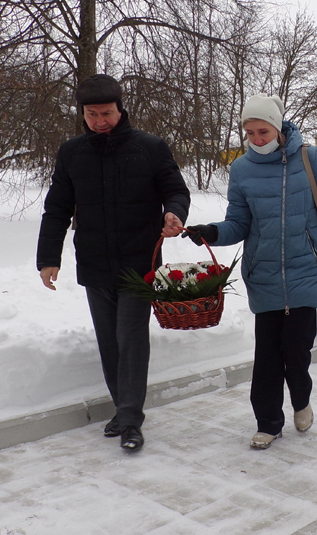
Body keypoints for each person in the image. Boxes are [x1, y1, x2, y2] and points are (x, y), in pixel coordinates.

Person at [183, 94, 317, 449]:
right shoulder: (242, 168)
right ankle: (268, 422)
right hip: (264, 273)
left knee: (296, 352)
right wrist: (213, 232)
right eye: (250, 133)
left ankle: (301, 399)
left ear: (278, 127)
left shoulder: (311, 158)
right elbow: (239, 223)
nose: (257, 139)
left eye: (263, 131)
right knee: (268, 357)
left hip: (306, 270)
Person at [36, 74, 191, 452]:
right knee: (109, 341)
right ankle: (123, 410)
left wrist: (173, 212)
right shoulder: (72, 152)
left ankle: (130, 418)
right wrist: (48, 258)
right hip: (94, 261)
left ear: (121, 109)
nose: (100, 121)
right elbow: (56, 208)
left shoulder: (150, 147)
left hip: (140, 263)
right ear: (82, 114)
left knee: (131, 338)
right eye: (92, 114)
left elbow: (175, 187)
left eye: (107, 113)